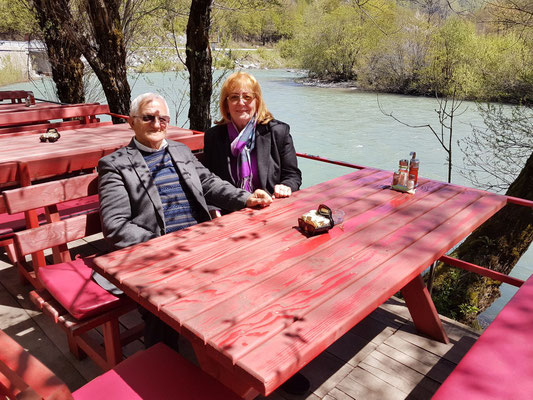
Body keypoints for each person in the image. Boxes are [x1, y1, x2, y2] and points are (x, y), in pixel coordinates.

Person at [97, 93, 272, 349]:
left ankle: (260, 348)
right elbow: (116, 226)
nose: (157, 125)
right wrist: (167, 245)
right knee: (163, 312)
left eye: (162, 118)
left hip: (201, 246)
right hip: (156, 257)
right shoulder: (115, 165)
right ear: (131, 122)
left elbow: (209, 183)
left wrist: (245, 198)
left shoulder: (180, 151)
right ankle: (162, 366)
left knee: (252, 278)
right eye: (148, 118)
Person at [203, 71, 301, 206]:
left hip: (270, 206)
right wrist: (214, 210)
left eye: (247, 97)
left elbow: (292, 175)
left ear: (257, 101)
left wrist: (286, 186)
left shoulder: (277, 132)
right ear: (226, 104)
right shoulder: (213, 137)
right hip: (230, 212)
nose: (241, 102)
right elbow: (209, 182)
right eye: (234, 97)